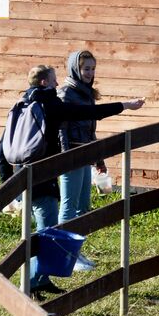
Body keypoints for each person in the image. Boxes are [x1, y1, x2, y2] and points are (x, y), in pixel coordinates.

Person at [15, 64, 144, 295]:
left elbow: (3, 147)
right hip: (41, 179)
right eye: (54, 80)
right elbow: (85, 114)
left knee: (46, 230)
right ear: (44, 82)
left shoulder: (21, 104)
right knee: (48, 231)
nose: (57, 83)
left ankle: (39, 279)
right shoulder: (50, 105)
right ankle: (31, 282)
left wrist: (8, 182)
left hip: (28, 176)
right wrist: (123, 106)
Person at [56, 49, 113, 270]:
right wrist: (66, 156)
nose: (90, 73)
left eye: (92, 69)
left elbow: (89, 128)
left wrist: (97, 157)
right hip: (71, 157)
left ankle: (75, 252)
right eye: (85, 69)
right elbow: (61, 130)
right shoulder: (66, 94)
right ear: (75, 69)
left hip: (84, 155)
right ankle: (63, 254)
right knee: (69, 207)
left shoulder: (85, 93)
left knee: (82, 208)